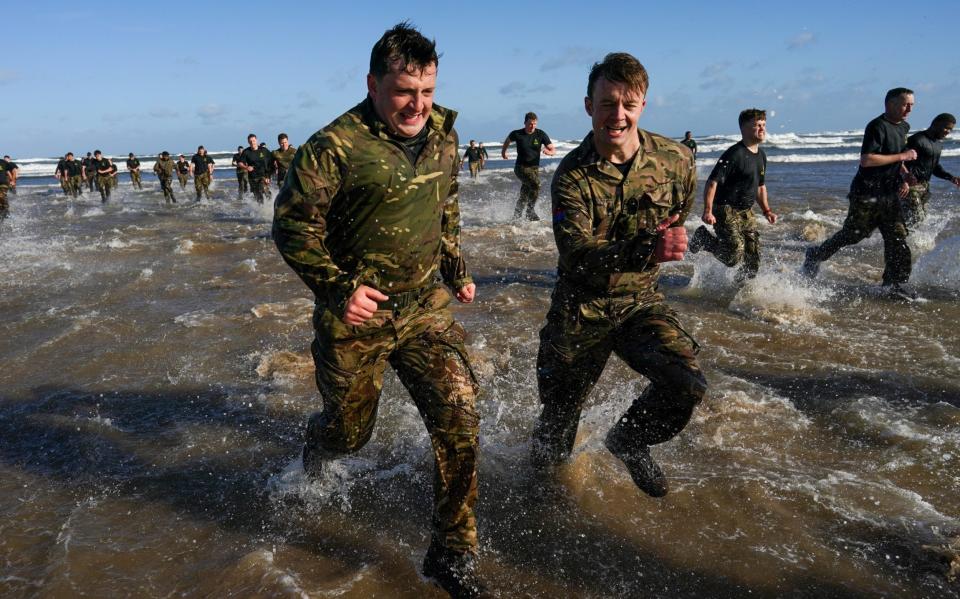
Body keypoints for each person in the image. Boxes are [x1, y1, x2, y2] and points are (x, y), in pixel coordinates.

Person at [272, 22, 486, 598]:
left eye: (427, 92)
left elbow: (447, 206)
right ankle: (317, 450)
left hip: (424, 309)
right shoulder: (333, 146)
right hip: (355, 319)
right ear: (372, 83)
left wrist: (456, 270)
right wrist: (339, 289)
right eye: (403, 92)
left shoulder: (444, 132)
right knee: (349, 436)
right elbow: (292, 227)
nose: (417, 105)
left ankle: (451, 550)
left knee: (461, 416)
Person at [533, 52, 706, 502]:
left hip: (639, 303)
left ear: (643, 104)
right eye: (607, 103)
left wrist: (662, 245)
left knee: (685, 383)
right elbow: (576, 252)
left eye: (628, 103)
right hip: (580, 307)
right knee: (558, 420)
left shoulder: (676, 161)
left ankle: (628, 438)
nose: (618, 115)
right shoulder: (573, 175)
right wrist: (649, 248)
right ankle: (542, 501)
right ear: (589, 106)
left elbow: (676, 217)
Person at [802, 88, 918, 299]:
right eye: (905, 104)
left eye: (912, 104)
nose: (910, 108)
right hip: (866, 192)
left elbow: (896, 159)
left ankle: (894, 285)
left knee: (898, 238)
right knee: (853, 235)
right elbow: (867, 159)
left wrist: (905, 174)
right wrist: (903, 155)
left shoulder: (904, 127)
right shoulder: (876, 126)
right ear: (890, 104)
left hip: (889, 194)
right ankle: (815, 254)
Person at [688, 109, 777, 282]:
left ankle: (739, 288)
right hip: (724, 208)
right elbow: (712, 182)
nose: (762, 129)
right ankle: (704, 238)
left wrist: (767, 210)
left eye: (764, 125)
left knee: (753, 259)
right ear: (744, 128)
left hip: (746, 210)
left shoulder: (761, 155)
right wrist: (708, 210)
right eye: (757, 125)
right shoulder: (734, 154)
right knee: (733, 256)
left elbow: (760, 186)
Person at [901, 113, 959, 226]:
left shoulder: (938, 145)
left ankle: (915, 242)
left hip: (925, 187)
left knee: (918, 221)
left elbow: (935, 168)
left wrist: (951, 178)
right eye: (946, 127)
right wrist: (904, 179)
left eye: (950, 130)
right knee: (917, 217)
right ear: (935, 124)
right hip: (910, 186)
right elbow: (900, 161)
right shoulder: (916, 140)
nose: (948, 131)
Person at [501, 112, 555, 220]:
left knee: (524, 195)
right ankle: (530, 211)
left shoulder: (541, 134)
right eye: (530, 124)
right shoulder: (517, 134)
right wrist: (503, 153)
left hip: (534, 169)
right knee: (536, 184)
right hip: (521, 167)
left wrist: (550, 152)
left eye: (535, 124)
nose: (532, 126)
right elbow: (507, 140)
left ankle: (516, 216)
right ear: (525, 123)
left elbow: (552, 148)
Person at [238, 135, 271, 203]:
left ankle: (272, 205)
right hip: (252, 178)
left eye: (253, 141)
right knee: (258, 197)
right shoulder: (246, 152)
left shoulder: (264, 150)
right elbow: (240, 163)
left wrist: (268, 176)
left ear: (256, 140)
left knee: (264, 190)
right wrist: (246, 167)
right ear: (248, 142)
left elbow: (271, 161)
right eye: (250, 141)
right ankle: (262, 211)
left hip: (263, 175)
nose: (252, 143)